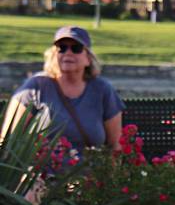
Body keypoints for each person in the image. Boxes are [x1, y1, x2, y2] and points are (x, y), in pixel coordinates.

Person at [1, 24, 124, 154]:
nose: (68, 53)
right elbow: (9, 139)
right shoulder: (35, 87)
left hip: (90, 172)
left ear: (88, 58)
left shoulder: (103, 90)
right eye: (62, 48)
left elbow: (115, 145)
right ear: (54, 55)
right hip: (41, 172)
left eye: (76, 48)